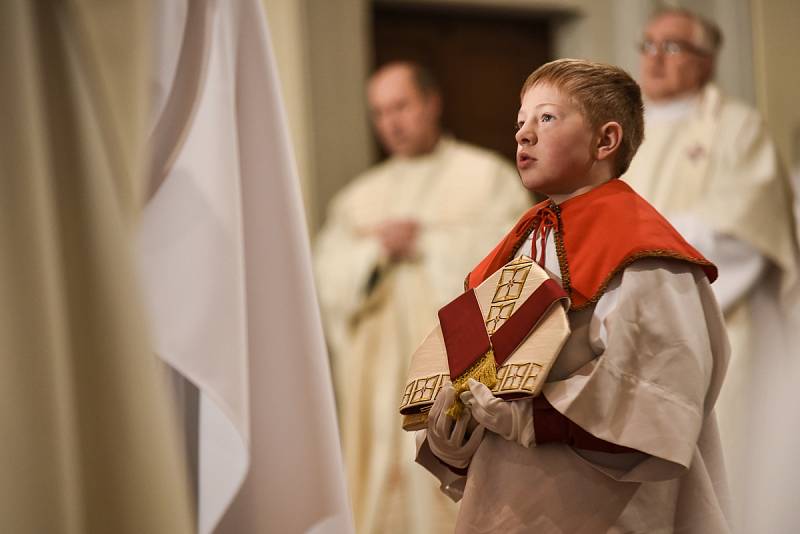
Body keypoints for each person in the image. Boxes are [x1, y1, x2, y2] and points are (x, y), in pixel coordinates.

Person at [416, 59, 732, 533]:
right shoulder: (519, 246)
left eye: (546, 118)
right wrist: (455, 429)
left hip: (604, 507)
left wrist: (535, 421)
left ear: (606, 141)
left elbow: (659, 398)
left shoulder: (643, 253)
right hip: (505, 495)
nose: (523, 135)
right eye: (520, 122)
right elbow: (479, 371)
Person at [314, 61, 529, 533]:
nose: (391, 122)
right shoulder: (358, 197)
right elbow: (326, 280)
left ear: (431, 103)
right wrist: (374, 252)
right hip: (377, 386)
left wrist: (425, 245)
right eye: (379, 112)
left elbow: (514, 268)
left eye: (401, 106)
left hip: (455, 368)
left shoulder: (485, 176)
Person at [622, 8, 799, 510]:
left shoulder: (739, 129)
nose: (654, 58)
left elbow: (743, 230)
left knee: (725, 477)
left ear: (706, 62)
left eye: (672, 47)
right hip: (625, 332)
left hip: (714, 325)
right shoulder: (618, 130)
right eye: (648, 45)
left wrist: (637, 247)